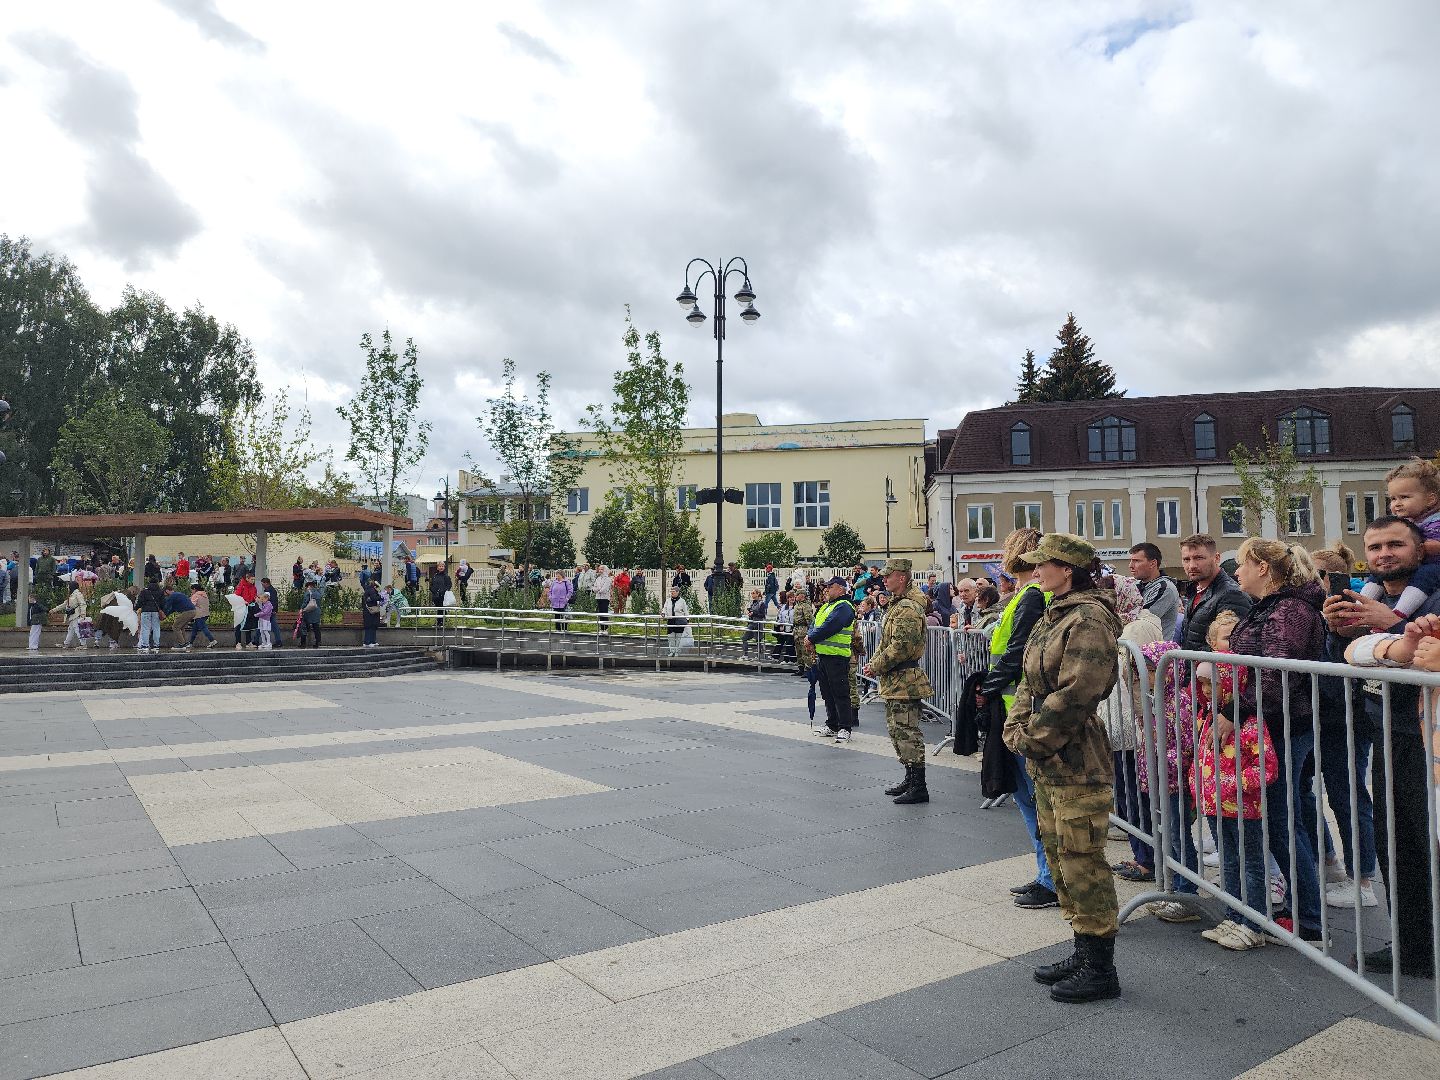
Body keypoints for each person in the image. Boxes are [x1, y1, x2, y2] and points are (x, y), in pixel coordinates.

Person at [1003, 533, 1123, 1003]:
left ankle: (1101, 967)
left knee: (1083, 861)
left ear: (1066, 569)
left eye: (1042, 565)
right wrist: (1019, 727)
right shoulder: (1057, 614)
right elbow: (1030, 683)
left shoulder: (1088, 619)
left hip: (1075, 758)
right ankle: (1082, 947)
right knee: (1059, 857)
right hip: (1048, 758)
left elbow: (1077, 693)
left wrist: (1031, 739)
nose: (1035, 572)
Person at [1327, 516, 1440, 977]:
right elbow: (1340, 665)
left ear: (1420, 550)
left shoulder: (1429, 596)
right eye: (1375, 547)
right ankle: (1412, 948)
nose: (1383, 554)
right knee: (1397, 845)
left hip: (1427, 739)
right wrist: (1337, 633)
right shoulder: (1368, 596)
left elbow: (1422, 650)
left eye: (1395, 544)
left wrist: (1391, 627)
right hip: (1385, 729)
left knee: (1428, 842)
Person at [1222, 536, 1326, 949]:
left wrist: (1232, 710)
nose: (1237, 572)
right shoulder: (1275, 606)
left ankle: (1310, 921)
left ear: (1263, 567)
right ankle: (1298, 909)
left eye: (1243, 564)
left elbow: (1275, 676)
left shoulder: (1290, 610)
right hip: (1270, 724)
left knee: (1284, 820)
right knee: (1281, 817)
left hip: (1283, 725)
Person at [978, 528, 1057, 909]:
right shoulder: (1027, 595)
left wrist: (987, 688)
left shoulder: (1029, 597)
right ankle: (1045, 873)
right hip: (1017, 705)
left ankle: (1050, 877)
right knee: (1028, 795)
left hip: (1019, 709)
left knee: (1033, 796)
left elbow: (1014, 654)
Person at [1103, 577, 1164, 890]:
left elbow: (1124, 671)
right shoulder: (1134, 622)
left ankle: (1146, 858)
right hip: (1133, 720)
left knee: (1134, 793)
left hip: (1133, 723)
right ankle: (1144, 854)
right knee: (1132, 791)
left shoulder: (1134, 628)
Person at [862, 558, 933, 804]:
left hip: (905, 679)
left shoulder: (908, 608)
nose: (884, 579)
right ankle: (910, 777)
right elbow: (886, 643)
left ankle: (918, 785)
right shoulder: (898, 605)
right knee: (897, 731)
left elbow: (901, 647)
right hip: (896, 679)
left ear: (901, 577)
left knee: (907, 731)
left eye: (888, 575)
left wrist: (877, 664)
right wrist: (875, 662)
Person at [1354, 458, 1440, 621]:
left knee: (1424, 576)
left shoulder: (1436, 521)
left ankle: (1399, 613)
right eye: (1393, 499)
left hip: (1434, 566)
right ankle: (1359, 608)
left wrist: (1425, 547)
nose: (1396, 504)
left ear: (1431, 499)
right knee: (1378, 574)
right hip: (1422, 564)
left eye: (1404, 497)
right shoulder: (1409, 522)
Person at [1178, 534, 1252, 652]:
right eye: (1186, 559)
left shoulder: (1232, 594)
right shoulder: (1194, 590)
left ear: (1216, 558)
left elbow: (1235, 646)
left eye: (1199, 558)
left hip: (1211, 669)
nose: (1192, 565)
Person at [808, 576, 858, 742]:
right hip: (824, 656)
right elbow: (814, 624)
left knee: (840, 693)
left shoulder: (844, 606)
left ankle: (845, 727)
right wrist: (810, 636)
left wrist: (811, 638)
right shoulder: (825, 607)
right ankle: (832, 724)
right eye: (826, 587)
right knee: (827, 693)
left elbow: (831, 625)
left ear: (841, 589)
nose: (826, 589)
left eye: (830, 587)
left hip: (837, 657)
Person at [1127, 543, 1179, 640]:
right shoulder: (1136, 585)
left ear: (1153, 563)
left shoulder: (1165, 588)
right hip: (1137, 647)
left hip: (1154, 652)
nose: (1131, 565)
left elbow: (1139, 621)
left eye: (1136, 561)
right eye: (1130, 561)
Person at [50, 578, 91, 650]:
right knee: (71, 629)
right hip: (72, 615)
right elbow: (64, 604)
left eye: (68, 586)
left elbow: (82, 604)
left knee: (77, 629)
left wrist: (83, 614)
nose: (67, 587)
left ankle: (83, 644)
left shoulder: (78, 594)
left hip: (76, 614)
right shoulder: (72, 594)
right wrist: (54, 610)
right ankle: (66, 643)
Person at [183, 583, 216, 649]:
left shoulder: (195, 595)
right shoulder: (204, 594)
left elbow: (191, 605)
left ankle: (212, 640)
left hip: (199, 614)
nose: (191, 591)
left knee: (203, 628)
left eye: (191, 590)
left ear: (194, 589)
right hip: (205, 614)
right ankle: (191, 643)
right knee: (195, 629)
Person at [136, 577, 166, 653]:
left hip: (145, 611)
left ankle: (145, 645)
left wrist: (136, 607)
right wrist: (162, 609)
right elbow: (163, 603)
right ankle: (156, 645)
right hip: (156, 611)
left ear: (149, 583)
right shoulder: (160, 592)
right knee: (156, 627)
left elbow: (140, 602)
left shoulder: (144, 592)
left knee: (145, 628)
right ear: (157, 583)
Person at [791, 588, 816, 677]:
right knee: (798, 650)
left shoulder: (806, 606)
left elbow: (809, 619)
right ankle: (800, 667)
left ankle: (808, 669)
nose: (796, 597)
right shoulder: (797, 605)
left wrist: (810, 631)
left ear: (802, 596)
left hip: (803, 629)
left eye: (797, 595)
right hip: (797, 629)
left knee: (805, 650)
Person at [234, 571, 259, 649]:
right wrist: (243, 601)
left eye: (254, 579)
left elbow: (254, 596)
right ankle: (238, 643)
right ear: (247, 578)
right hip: (241, 608)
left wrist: (256, 599)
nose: (253, 581)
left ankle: (248, 642)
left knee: (249, 625)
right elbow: (236, 596)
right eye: (252, 579)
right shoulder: (241, 586)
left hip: (250, 607)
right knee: (238, 625)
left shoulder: (253, 587)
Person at [664, 585, 690, 656]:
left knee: (678, 637)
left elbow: (686, 611)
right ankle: (672, 651)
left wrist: (687, 620)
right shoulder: (668, 600)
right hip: (670, 620)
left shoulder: (682, 601)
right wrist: (664, 614)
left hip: (679, 620)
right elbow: (665, 609)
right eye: (671, 591)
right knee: (671, 637)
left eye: (673, 592)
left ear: (677, 592)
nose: (672, 593)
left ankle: (677, 652)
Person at [742, 588, 768, 656]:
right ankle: (745, 654)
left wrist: (753, 613)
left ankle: (760, 656)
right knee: (744, 638)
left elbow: (762, 615)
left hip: (758, 624)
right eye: (751, 593)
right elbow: (752, 612)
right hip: (751, 623)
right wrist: (750, 613)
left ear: (758, 594)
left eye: (753, 593)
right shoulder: (753, 602)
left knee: (758, 640)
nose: (752, 595)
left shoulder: (761, 603)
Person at [300, 580, 323, 647]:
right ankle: (318, 642)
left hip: (309, 612)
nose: (306, 588)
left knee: (303, 626)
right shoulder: (318, 593)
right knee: (316, 628)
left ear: (309, 586)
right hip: (317, 612)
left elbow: (305, 602)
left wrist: (301, 609)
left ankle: (303, 643)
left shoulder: (308, 592)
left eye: (306, 587)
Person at [361, 578, 383, 647]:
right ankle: (368, 642)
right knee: (371, 626)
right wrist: (380, 596)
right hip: (370, 612)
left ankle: (371, 641)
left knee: (371, 626)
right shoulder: (372, 590)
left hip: (368, 611)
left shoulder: (367, 590)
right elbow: (374, 598)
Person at [261, 577, 281, 648]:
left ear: (266, 583)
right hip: (270, 611)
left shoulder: (269, 591)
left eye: (263, 584)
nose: (262, 585)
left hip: (270, 612)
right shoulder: (270, 590)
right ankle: (278, 641)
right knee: (264, 626)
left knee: (273, 627)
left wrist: (272, 610)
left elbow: (272, 601)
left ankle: (278, 641)